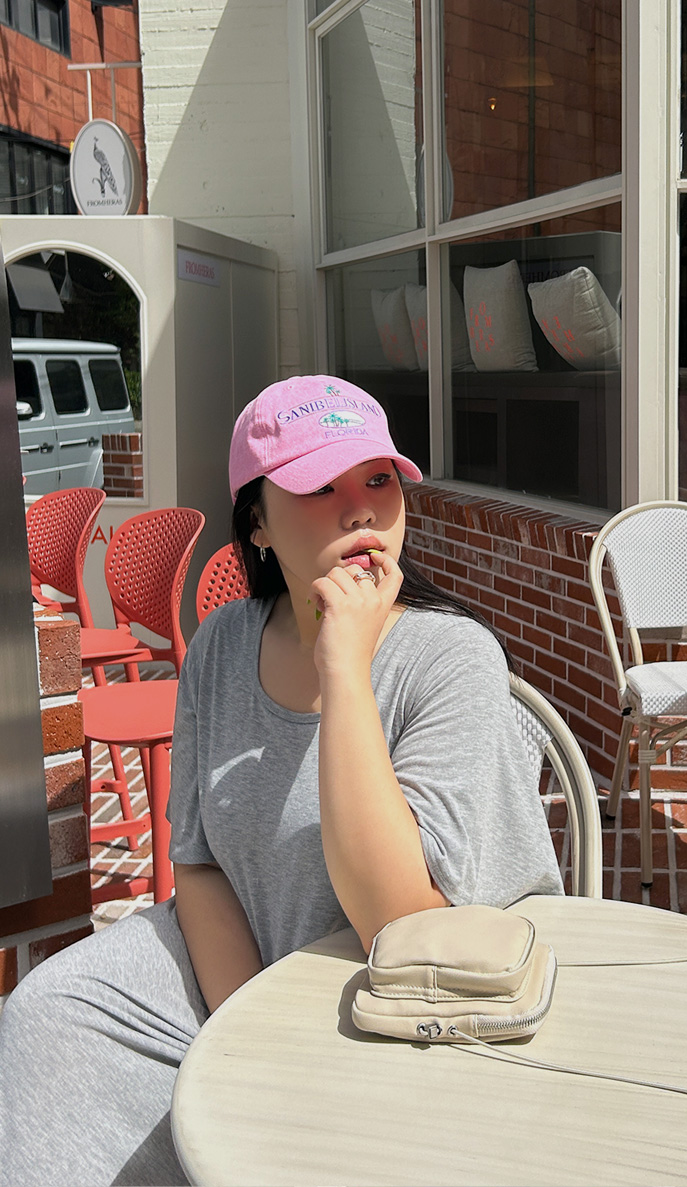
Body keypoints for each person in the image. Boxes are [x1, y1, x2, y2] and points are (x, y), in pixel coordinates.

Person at [0, 374, 563, 1186]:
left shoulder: (449, 656)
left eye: (378, 479)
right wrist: (244, 1036)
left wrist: (345, 664)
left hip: (410, 1000)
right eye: (319, 486)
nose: (361, 510)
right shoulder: (225, 642)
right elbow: (196, 860)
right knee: (48, 1019)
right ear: (256, 522)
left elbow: (399, 919)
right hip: (245, 971)